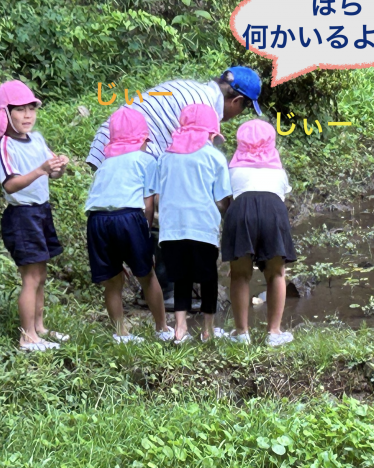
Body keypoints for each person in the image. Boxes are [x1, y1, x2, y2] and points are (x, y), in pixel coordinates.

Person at [85, 67, 263, 307]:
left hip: (107, 144)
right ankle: (166, 290)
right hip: (132, 146)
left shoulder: (191, 88)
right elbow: (193, 165)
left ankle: (136, 276)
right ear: (237, 100)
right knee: (162, 210)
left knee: (124, 211)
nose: (237, 115)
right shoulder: (203, 110)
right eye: (244, 108)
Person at [0, 80, 70, 352]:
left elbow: (53, 173)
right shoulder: (4, 146)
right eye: (20, 110)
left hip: (41, 211)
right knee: (31, 278)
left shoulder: (37, 139)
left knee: (41, 275)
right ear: (6, 114)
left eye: (31, 109)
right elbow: (10, 185)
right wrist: (41, 170)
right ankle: (27, 338)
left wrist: (59, 166)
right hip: (22, 216)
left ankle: (40, 328)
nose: (27, 116)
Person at [84, 107, 174, 344]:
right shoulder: (147, 160)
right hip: (128, 218)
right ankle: (162, 328)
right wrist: (146, 235)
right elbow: (148, 204)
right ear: (142, 139)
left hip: (97, 221)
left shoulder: (105, 164)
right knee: (147, 275)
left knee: (112, 281)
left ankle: (120, 333)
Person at [156, 104, 233, 344]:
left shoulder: (165, 157)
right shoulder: (214, 157)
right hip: (203, 226)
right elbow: (223, 199)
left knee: (181, 278)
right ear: (211, 133)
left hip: (171, 228)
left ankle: (180, 328)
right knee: (208, 278)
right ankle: (208, 330)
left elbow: (157, 194)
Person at [221, 120, 296, 347]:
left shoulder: (232, 170)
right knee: (276, 273)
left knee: (239, 275)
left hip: (240, 210)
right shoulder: (278, 171)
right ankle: (274, 333)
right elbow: (282, 197)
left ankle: (241, 333)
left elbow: (225, 202)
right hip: (273, 210)